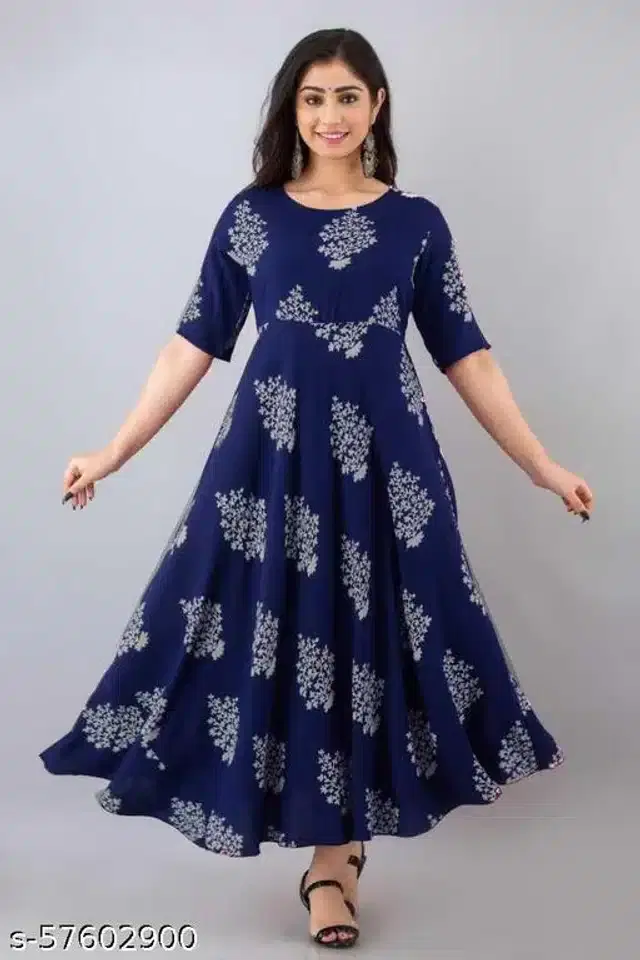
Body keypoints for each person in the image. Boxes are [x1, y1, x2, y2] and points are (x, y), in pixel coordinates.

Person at [40, 27, 594, 950]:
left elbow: (466, 352)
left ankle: (335, 862)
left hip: (387, 470)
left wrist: (542, 465)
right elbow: (191, 343)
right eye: (312, 98)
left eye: (346, 97)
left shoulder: (417, 224)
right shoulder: (252, 216)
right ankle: (325, 852)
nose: (329, 116)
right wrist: (113, 452)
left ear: (376, 106)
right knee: (265, 635)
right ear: (290, 110)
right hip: (269, 467)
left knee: (369, 644)